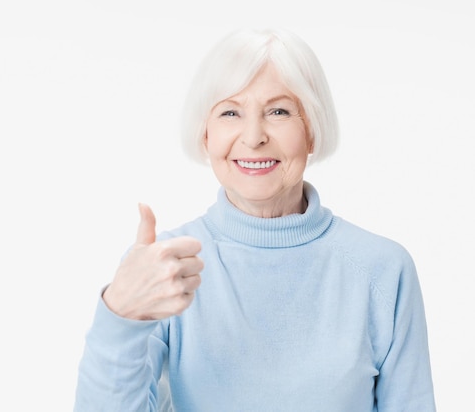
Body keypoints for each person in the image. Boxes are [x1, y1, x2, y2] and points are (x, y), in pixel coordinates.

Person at [73, 27, 436, 411]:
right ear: (206, 135)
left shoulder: (381, 270)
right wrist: (120, 316)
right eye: (230, 112)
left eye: (278, 111)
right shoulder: (167, 268)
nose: (253, 136)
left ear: (311, 130)